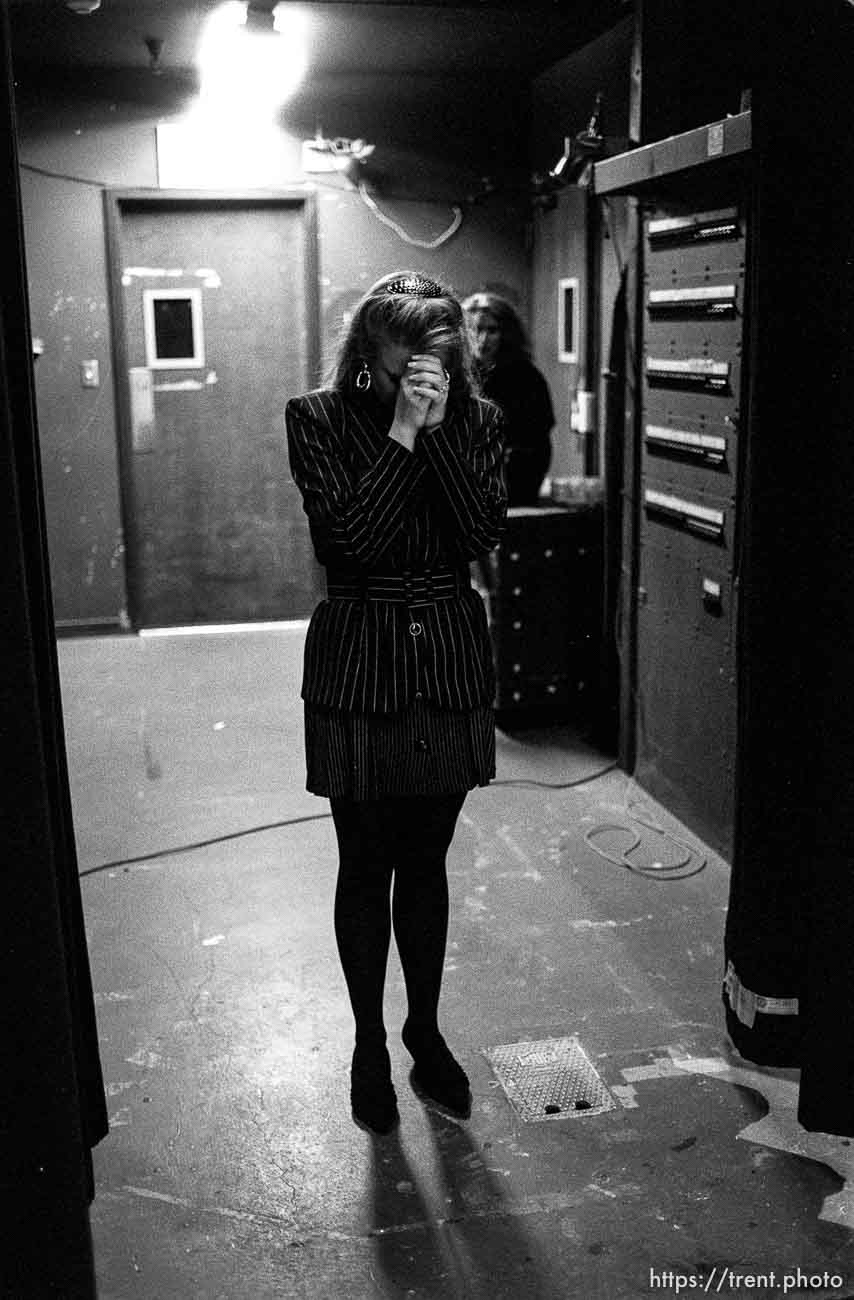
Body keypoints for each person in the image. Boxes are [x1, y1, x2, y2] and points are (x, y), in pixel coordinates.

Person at [285, 271, 507, 1135]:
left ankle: (424, 1026)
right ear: (365, 357)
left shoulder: (480, 421)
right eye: (402, 359)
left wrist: (440, 433)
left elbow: (480, 534)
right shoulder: (318, 418)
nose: (419, 371)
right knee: (363, 857)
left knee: (427, 857)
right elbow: (347, 540)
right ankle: (368, 1044)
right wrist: (404, 434)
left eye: (436, 357)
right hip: (360, 653)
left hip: (447, 653)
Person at [462, 292, 555, 507]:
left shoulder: (527, 377)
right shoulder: (458, 375)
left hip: (512, 483)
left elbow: (537, 440)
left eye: (492, 330)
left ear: (506, 333)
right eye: (475, 330)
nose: (483, 340)